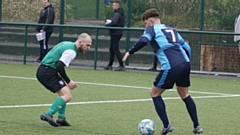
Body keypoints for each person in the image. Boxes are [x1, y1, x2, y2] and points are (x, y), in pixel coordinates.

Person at [122, 8, 203, 134]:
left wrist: (130, 52)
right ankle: (197, 126)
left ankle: (166, 125)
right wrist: (185, 63)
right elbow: (186, 47)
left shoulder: (152, 29)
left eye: (146, 23)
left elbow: (144, 40)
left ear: (152, 21)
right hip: (185, 63)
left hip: (171, 66)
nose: (146, 27)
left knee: (154, 93)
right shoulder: (171, 29)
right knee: (185, 94)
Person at [36, 33, 92, 127]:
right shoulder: (72, 51)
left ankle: (61, 118)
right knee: (67, 95)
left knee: (65, 91)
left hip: (45, 69)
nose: (89, 48)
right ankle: (48, 114)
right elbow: (59, 66)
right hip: (47, 71)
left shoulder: (67, 44)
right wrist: (69, 81)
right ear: (80, 42)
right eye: (87, 45)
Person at [104, 1, 125, 71]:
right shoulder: (120, 13)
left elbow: (114, 22)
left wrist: (107, 24)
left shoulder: (117, 14)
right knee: (112, 49)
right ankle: (110, 64)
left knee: (115, 49)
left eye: (113, 5)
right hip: (117, 33)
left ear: (117, 6)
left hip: (115, 33)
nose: (112, 7)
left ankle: (121, 65)